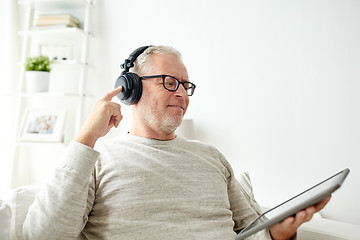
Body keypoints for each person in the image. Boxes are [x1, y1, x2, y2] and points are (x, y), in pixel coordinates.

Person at [23, 45, 330, 240]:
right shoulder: (95, 157)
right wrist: (86, 137)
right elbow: (43, 235)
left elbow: (252, 231)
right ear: (130, 90)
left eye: (186, 85)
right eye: (170, 82)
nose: (182, 94)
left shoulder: (212, 157)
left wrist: (281, 233)